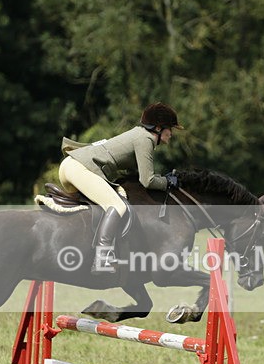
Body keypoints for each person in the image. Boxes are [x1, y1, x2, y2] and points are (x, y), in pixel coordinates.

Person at [59, 102, 182, 274]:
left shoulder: (137, 135)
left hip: (71, 166)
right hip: (79, 168)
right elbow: (147, 180)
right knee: (117, 206)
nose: (172, 134)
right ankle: (102, 257)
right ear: (159, 128)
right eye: (170, 129)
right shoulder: (145, 139)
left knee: (105, 205)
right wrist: (167, 182)